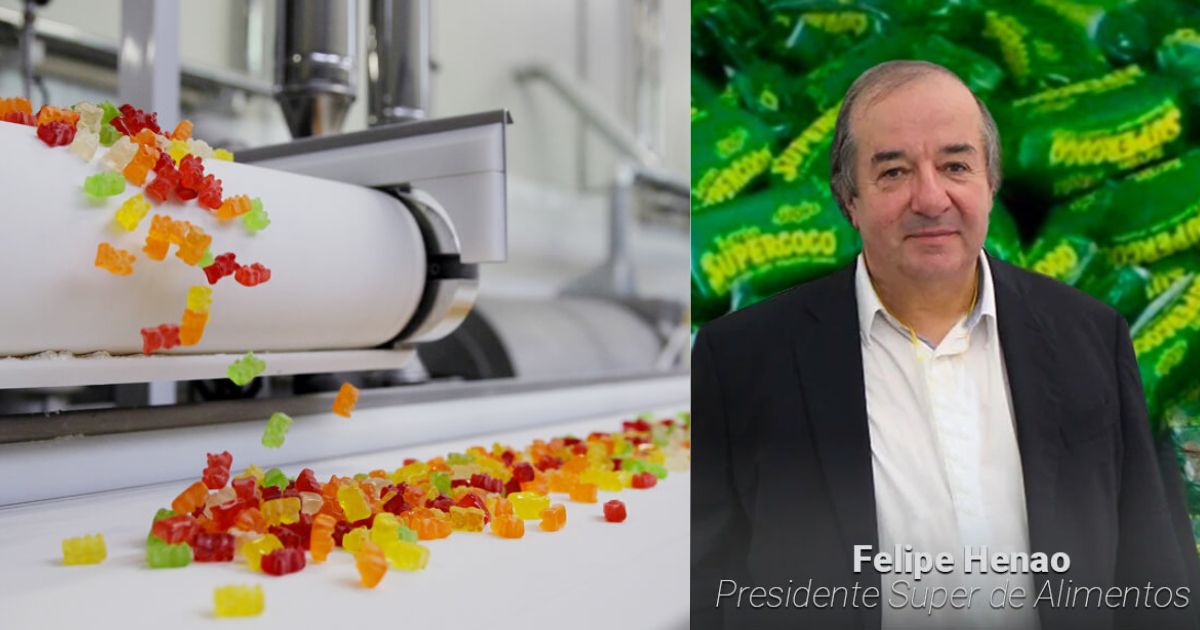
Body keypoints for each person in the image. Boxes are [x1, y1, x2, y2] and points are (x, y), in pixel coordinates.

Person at [691, 60, 1200, 630]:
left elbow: (1156, 572)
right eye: (894, 173)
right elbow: (706, 588)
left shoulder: (1092, 337)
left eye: (956, 165)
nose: (931, 198)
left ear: (991, 183)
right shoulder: (740, 359)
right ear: (848, 199)